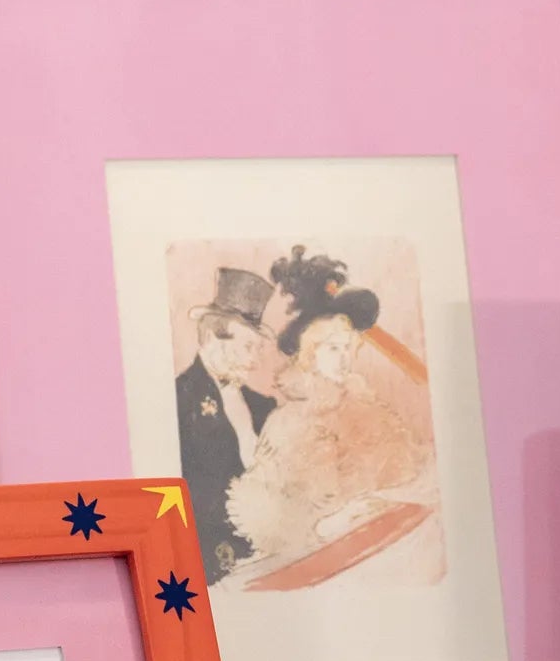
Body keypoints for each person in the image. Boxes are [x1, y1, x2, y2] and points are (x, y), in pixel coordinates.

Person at [226, 248, 429, 567]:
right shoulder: (287, 423)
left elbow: (405, 478)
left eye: (348, 348)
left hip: (387, 549)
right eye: (333, 349)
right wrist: (328, 523)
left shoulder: (367, 409)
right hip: (321, 562)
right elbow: (273, 525)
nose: (344, 358)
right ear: (309, 354)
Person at [176, 268, 281, 583]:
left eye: (258, 348)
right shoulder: (177, 401)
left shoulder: (264, 407)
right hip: (212, 564)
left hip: (273, 553)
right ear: (212, 338)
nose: (256, 361)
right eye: (247, 347)